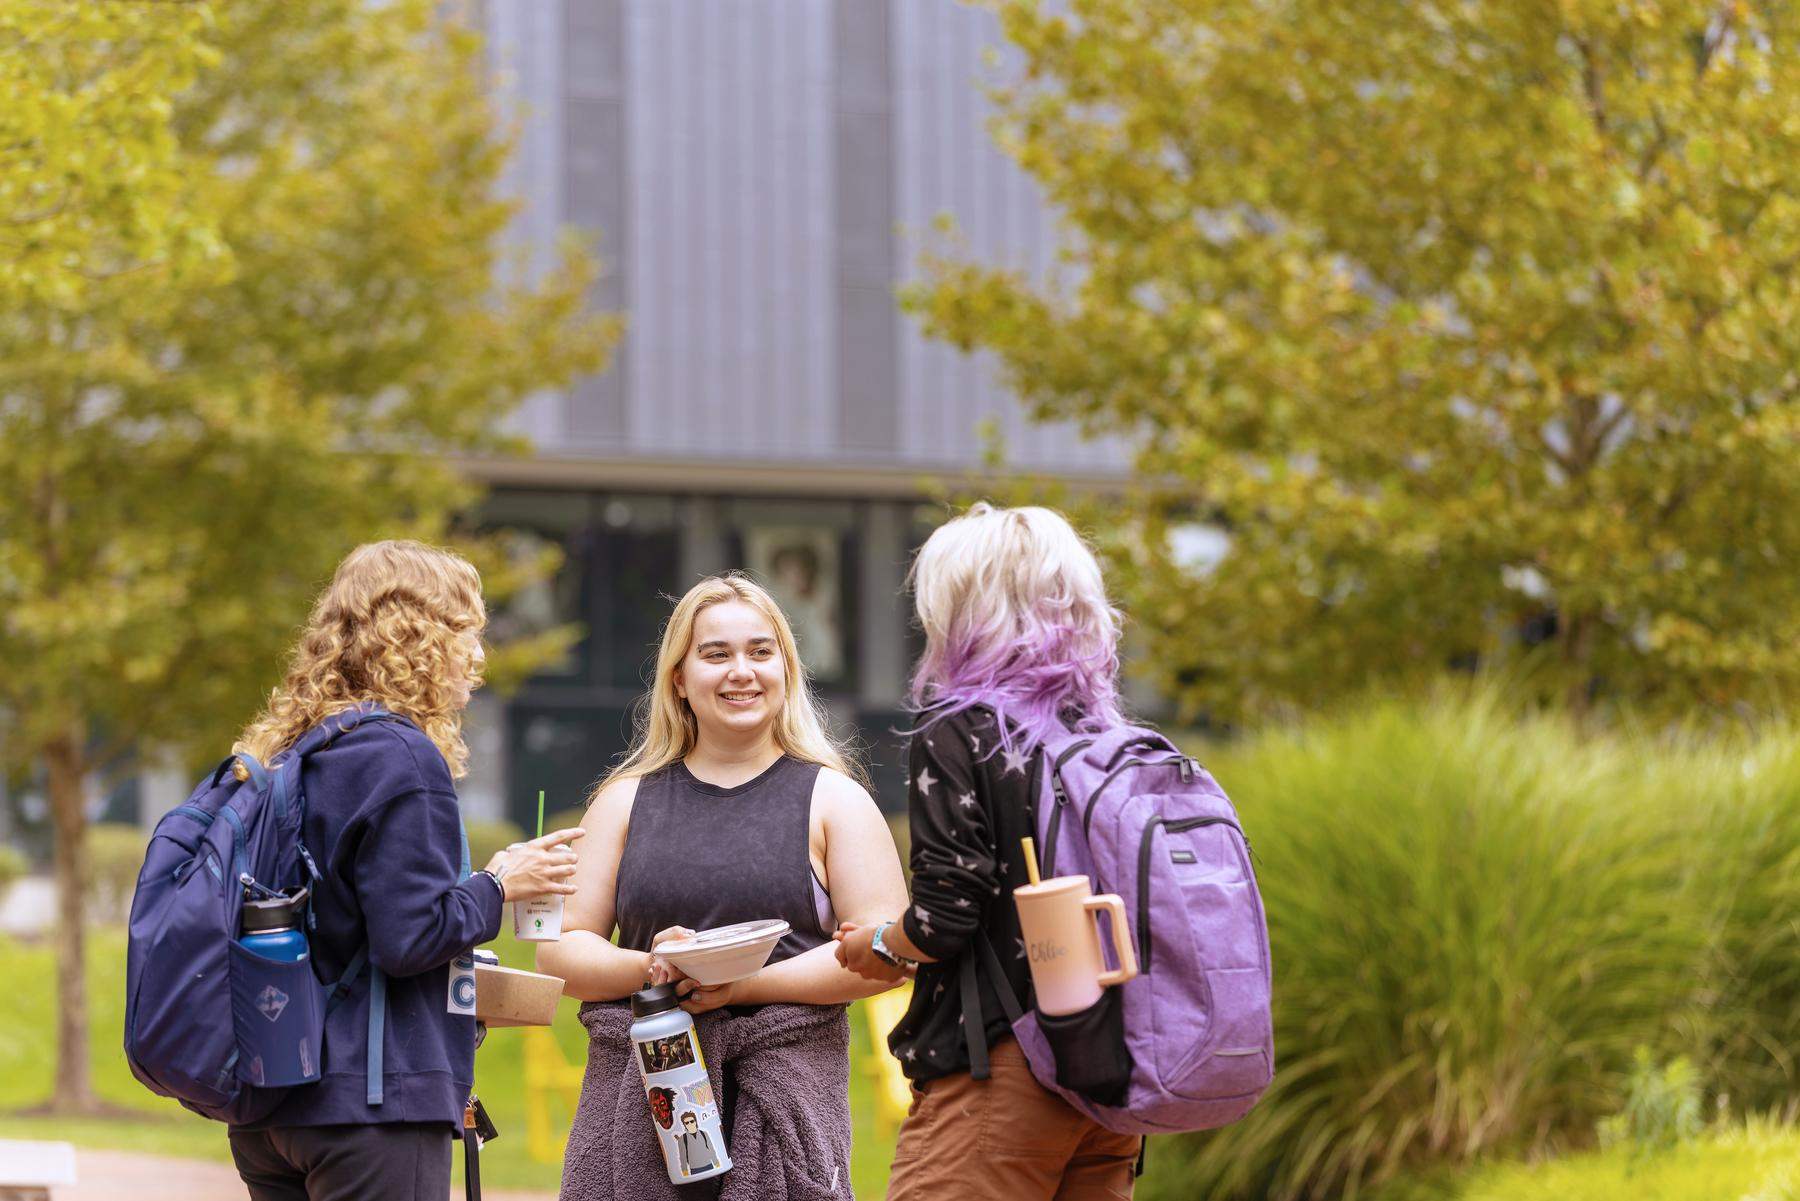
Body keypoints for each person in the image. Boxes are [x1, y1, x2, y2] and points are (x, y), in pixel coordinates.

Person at [225, 540, 584, 1201]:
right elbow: (409, 938)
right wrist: (500, 885)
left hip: (273, 1100)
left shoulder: (300, 750)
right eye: (466, 633)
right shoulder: (403, 757)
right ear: (416, 636)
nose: (477, 656)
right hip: (371, 1107)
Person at [540, 573, 908, 1198]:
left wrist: (742, 985)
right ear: (679, 679)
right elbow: (561, 949)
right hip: (642, 1097)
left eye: (761, 652)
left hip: (784, 1104)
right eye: (716, 654)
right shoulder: (623, 802)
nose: (742, 671)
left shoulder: (835, 801)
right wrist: (654, 967)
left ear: (786, 669)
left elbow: (885, 953)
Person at [835, 504, 1144, 1200]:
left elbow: (949, 912)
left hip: (1002, 1071)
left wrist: (878, 943)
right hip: (1109, 1070)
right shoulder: (1105, 734)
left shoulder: (962, 727)